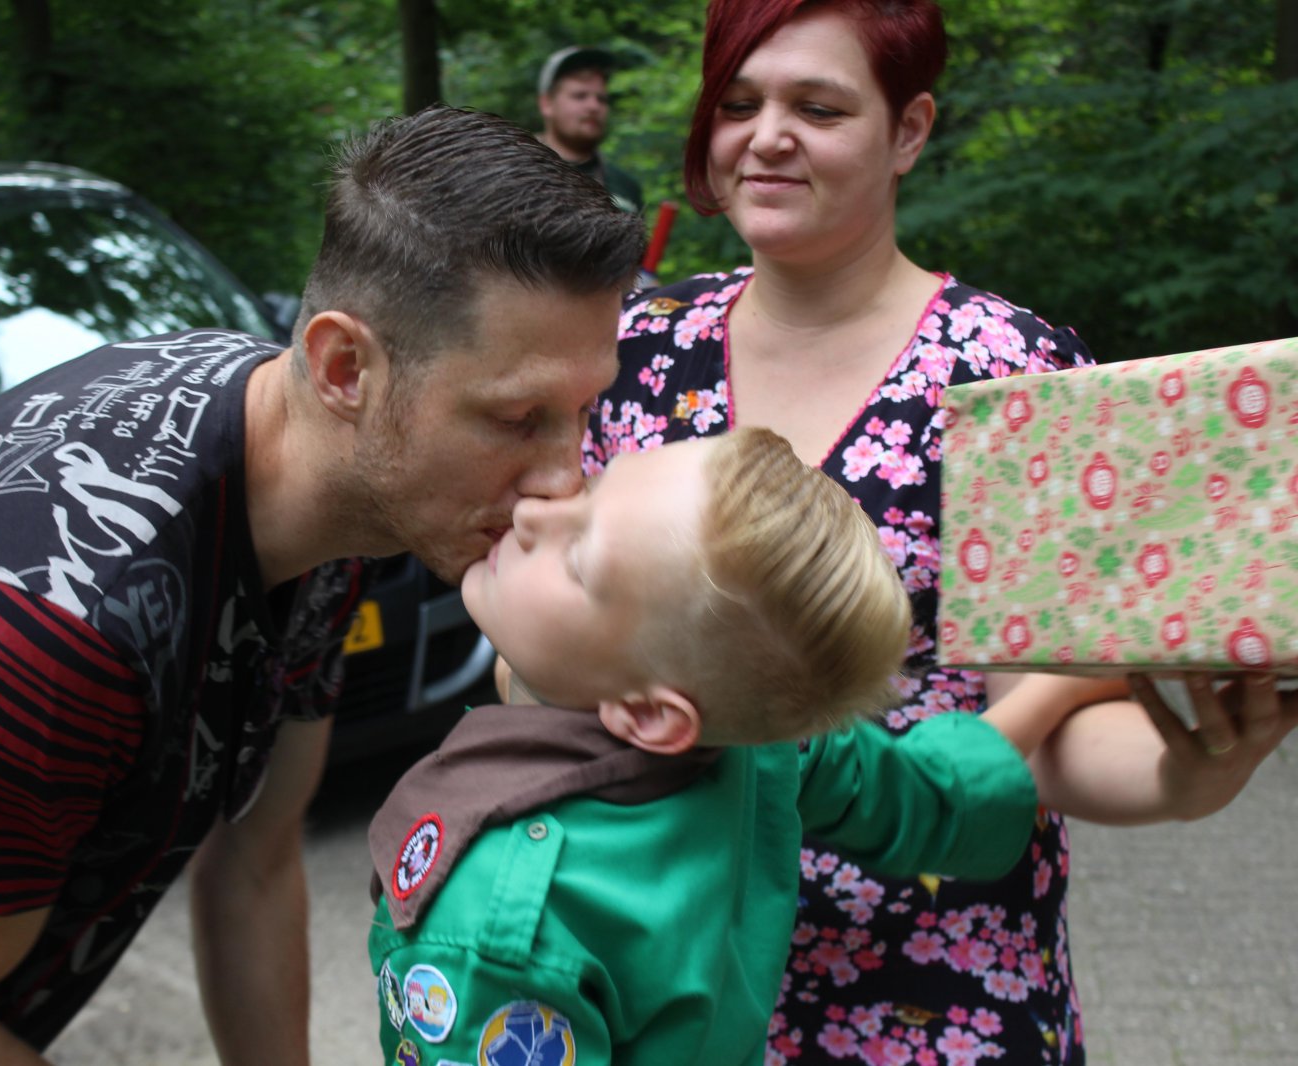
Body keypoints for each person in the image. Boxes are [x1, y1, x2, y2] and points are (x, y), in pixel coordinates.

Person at [0, 106, 646, 1065]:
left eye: (582, 409)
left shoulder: (335, 478)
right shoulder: (59, 620)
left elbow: (258, 856)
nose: (565, 476)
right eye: (518, 417)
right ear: (343, 365)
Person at [586, 2, 1298, 1063]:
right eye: (738, 103)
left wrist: (1186, 778)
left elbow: (1043, 724)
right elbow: (541, 646)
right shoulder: (634, 353)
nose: (766, 134)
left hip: (936, 986)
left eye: (816, 106)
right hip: (659, 979)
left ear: (909, 130)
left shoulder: (1009, 371)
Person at [366, 427, 1097, 1064]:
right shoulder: (759, 750)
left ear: (649, 714)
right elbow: (927, 795)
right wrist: (1063, 688)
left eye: (580, 561)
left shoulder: (501, 927)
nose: (531, 514)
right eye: (587, 490)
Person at [536, 45, 645, 215]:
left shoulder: (625, 187)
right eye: (580, 96)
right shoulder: (509, 173)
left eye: (601, 99)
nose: (594, 106)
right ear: (546, 104)